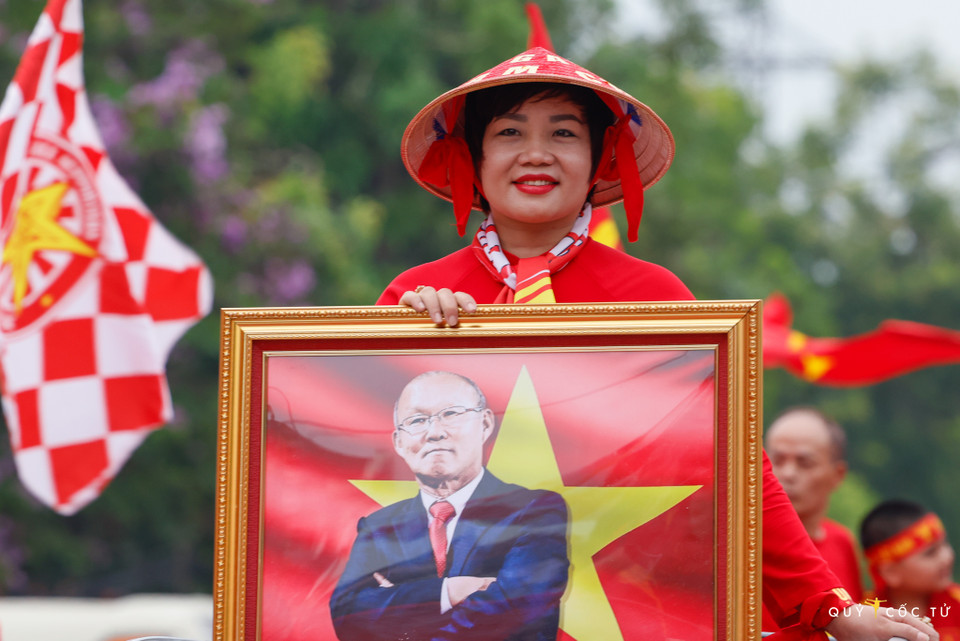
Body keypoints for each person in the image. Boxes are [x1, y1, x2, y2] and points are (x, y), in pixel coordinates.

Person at [377, 44, 937, 641]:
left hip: (622, 609)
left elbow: (733, 462)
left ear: (598, 160)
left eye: (563, 133)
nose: (536, 153)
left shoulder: (654, 299)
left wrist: (831, 608)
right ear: (476, 158)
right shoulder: (413, 298)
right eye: (510, 132)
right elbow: (347, 471)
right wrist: (398, 348)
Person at [329, 371, 569, 641]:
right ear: (399, 442)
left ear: (485, 424)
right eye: (417, 420)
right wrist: (450, 592)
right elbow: (347, 615)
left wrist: (397, 607)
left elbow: (516, 609)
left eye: (451, 414)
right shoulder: (379, 527)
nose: (434, 432)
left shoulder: (535, 511)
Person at [762, 407, 865, 632]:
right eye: (777, 461)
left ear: (837, 475)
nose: (788, 474)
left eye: (805, 463)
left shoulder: (842, 542)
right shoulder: (739, 544)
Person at [860, 499, 960, 640]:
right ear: (891, 572)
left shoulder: (957, 604)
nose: (947, 557)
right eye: (930, 553)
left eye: (945, 544)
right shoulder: (864, 616)